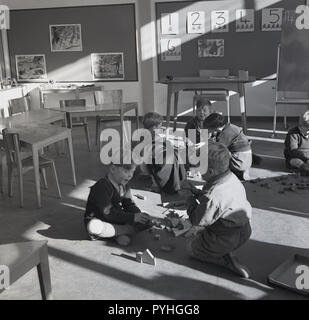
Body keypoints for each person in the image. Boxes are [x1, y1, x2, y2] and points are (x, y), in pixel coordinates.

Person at [186, 142, 252, 278]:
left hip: (226, 238)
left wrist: (189, 200)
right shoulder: (230, 177)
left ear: (210, 171)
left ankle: (224, 260)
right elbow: (219, 200)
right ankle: (224, 250)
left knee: (191, 249)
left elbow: (197, 220)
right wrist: (197, 193)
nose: (197, 172)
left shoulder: (213, 196)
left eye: (199, 168)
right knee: (205, 229)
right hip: (244, 230)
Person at [84, 154, 150, 246]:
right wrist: (132, 218)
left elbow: (129, 204)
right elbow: (107, 212)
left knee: (146, 222)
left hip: (115, 219)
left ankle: (116, 234)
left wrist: (138, 215)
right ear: (113, 169)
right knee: (95, 226)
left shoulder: (124, 185)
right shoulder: (102, 186)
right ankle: (127, 230)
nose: (130, 175)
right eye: (126, 171)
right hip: (100, 218)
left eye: (132, 172)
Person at [142, 112, 186, 194]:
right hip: (178, 179)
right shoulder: (164, 141)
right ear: (155, 128)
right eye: (160, 126)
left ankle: (156, 185)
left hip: (164, 182)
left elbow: (144, 170)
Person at [204, 112, 253, 180]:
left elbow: (217, 148)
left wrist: (207, 141)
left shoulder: (226, 133)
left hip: (240, 162)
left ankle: (235, 172)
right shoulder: (230, 127)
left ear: (217, 128)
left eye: (209, 130)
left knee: (217, 157)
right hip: (245, 159)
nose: (208, 131)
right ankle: (241, 170)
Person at [184, 97, 211, 170]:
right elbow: (190, 142)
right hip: (195, 147)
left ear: (210, 112)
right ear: (196, 111)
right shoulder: (191, 124)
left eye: (204, 110)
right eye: (199, 110)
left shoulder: (212, 122)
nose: (201, 112)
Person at [284, 110, 309, 175]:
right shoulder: (292, 133)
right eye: (307, 129)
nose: (308, 132)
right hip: (295, 156)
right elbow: (293, 151)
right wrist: (306, 160)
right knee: (297, 161)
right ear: (300, 126)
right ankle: (305, 169)